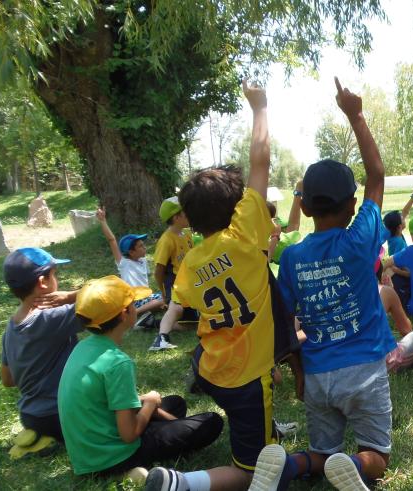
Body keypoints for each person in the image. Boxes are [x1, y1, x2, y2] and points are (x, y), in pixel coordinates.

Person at [158, 81, 301, 490]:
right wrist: (260, 108)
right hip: (246, 378)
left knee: (255, 426)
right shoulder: (244, 236)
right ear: (237, 207)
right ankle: (182, 484)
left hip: (210, 367)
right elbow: (261, 162)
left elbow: (182, 303)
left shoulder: (189, 263)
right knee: (258, 471)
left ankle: (265, 433)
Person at [269, 77, 397, 491]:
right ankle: (356, 469)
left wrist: (298, 369)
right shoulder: (360, 242)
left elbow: (284, 319)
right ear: (352, 206)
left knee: (321, 453)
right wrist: (356, 115)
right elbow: (376, 175)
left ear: (303, 208)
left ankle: (290, 467)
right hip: (363, 369)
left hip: (318, 374)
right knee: (378, 453)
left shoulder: (290, 258)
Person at [57, 276, 226, 488]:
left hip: (87, 453)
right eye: (133, 304)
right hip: (113, 457)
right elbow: (129, 434)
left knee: (176, 403)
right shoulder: (117, 363)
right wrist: (149, 404)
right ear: (125, 313)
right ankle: (126, 471)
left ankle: (130, 462)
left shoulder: (83, 347)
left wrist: (144, 401)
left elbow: (101, 399)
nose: (137, 306)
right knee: (211, 422)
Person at [0, 247, 78, 458]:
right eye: (55, 274)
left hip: (30, 415)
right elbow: (111, 296)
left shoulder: (11, 326)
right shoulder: (52, 318)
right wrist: (72, 296)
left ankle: (39, 437)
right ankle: (50, 436)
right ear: (43, 282)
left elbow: (8, 380)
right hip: (62, 413)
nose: (58, 279)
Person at [96, 207, 165, 327]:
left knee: (169, 294)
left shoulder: (143, 260)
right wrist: (102, 221)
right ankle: (134, 313)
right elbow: (112, 240)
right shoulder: (124, 263)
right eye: (140, 246)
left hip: (146, 297)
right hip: (134, 301)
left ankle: (152, 308)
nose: (144, 247)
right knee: (166, 298)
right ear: (131, 252)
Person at [149, 197, 195, 351]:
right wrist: (163, 293)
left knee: (192, 324)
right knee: (177, 309)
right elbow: (159, 271)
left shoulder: (187, 235)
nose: (190, 215)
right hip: (174, 281)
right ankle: (161, 339)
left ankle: (153, 323)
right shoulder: (166, 240)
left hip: (189, 283)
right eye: (186, 213)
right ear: (176, 217)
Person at [382, 182, 413, 256]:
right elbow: (398, 260)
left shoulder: (393, 234)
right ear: (399, 227)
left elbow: (405, 211)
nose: (404, 217)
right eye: (402, 218)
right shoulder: (398, 242)